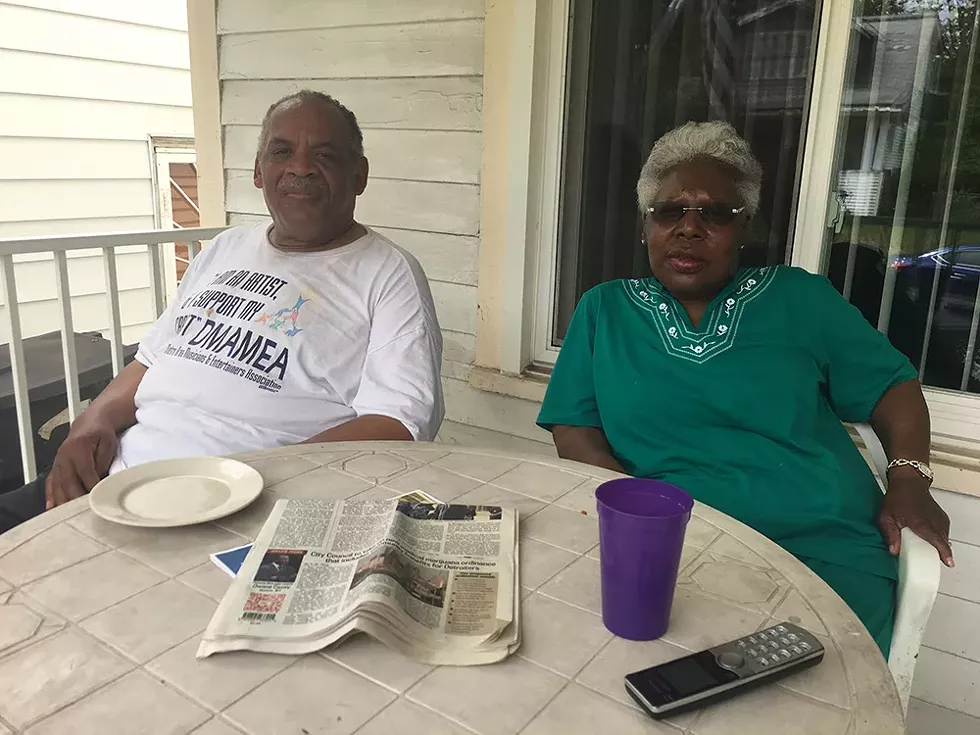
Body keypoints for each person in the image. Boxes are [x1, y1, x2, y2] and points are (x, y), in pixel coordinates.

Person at [537, 121, 953, 657]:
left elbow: (893, 387)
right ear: (646, 225)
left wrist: (910, 479)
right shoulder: (604, 310)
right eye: (670, 211)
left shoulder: (800, 299)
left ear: (744, 228)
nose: (689, 228)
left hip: (820, 541)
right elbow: (575, 425)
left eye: (715, 213)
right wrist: (633, 519)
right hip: (673, 546)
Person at [0, 90, 444, 534]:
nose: (301, 167)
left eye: (325, 155)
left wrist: (260, 479)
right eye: (281, 151)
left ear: (359, 175)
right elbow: (151, 359)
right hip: (113, 478)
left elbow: (399, 421)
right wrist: (90, 423)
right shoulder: (226, 249)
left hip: (241, 507)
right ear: (258, 171)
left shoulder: (388, 274)